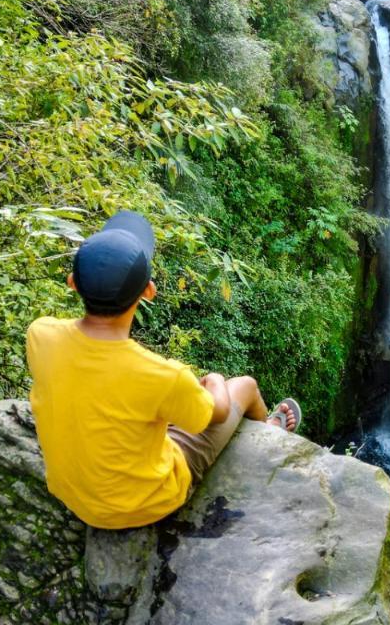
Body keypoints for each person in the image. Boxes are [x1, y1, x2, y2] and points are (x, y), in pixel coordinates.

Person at [26, 211, 302, 529]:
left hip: (74, 497)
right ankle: (269, 433)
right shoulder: (162, 376)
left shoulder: (41, 334)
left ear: (72, 283)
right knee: (245, 385)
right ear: (149, 292)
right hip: (146, 503)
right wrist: (213, 382)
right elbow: (219, 411)